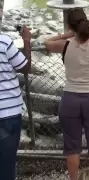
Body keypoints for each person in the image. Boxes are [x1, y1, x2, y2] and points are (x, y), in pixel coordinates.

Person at [44, 8, 89, 180]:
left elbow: (46, 42)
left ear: (70, 26)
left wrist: (63, 35)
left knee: (72, 147)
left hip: (70, 99)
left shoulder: (66, 44)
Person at [0, 26, 32, 180]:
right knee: (6, 164)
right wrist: (26, 40)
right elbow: (25, 67)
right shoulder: (4, 42)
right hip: (8, 114)